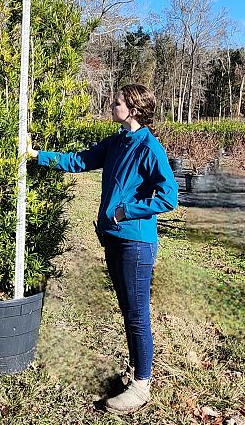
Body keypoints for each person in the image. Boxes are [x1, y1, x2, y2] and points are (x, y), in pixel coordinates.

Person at [27, 83, 178, 415]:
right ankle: (138, 371)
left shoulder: (149, 148)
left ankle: (141, 387)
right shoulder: (117, 141)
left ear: (134, 109)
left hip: (136, 242)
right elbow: (80, 160)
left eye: (119, 102)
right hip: (112, 238)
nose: (113, 104)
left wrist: (126, 211)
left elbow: (169, 196)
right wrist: (37, 156)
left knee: (137, 314)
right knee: (128, 310)